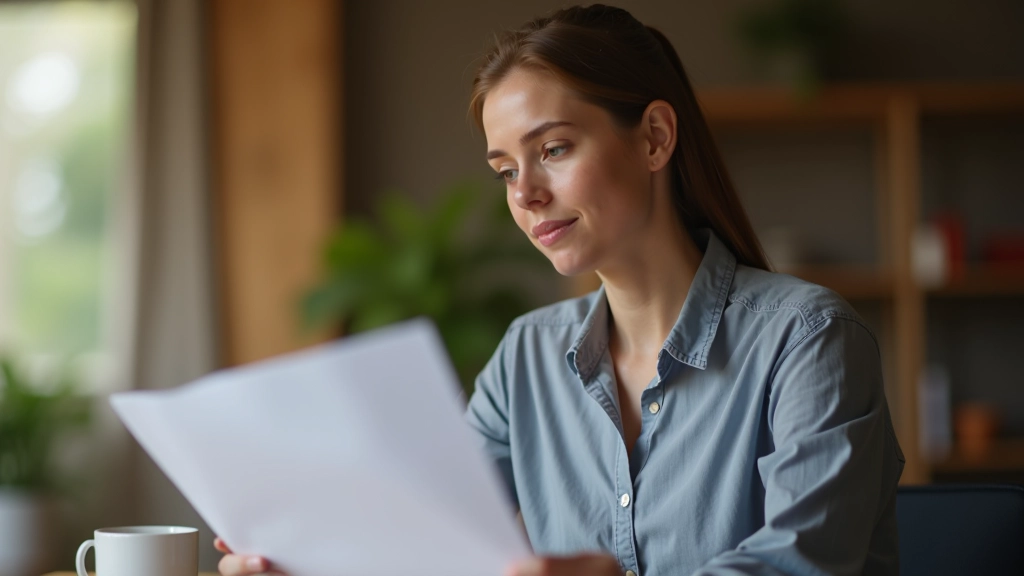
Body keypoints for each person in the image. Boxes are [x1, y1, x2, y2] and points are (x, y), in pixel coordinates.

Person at [216, 4, 904, 576]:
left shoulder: (807, 340)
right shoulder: (526, 359)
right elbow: (425, 535)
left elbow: (803, 565)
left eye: (553, 150)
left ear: (656, 138)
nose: (527, 195)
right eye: (505, 169)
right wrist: (304, 559)